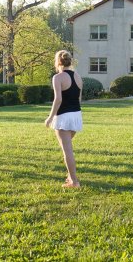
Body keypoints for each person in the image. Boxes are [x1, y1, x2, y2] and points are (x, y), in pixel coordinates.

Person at [45, 50, 83, 188]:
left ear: (57, 62)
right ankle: (70, 177)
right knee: (67, 148)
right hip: (76, 116)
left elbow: (58, 99)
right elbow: (79, 99)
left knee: (67, 151)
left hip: (64, 117)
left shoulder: (58, 77)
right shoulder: (78, 77)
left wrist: (50, 118)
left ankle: (74, 181)